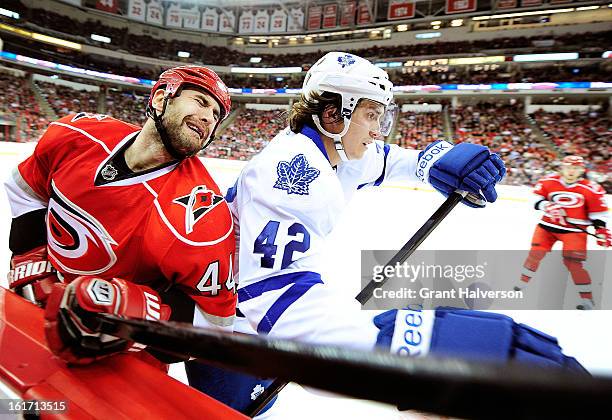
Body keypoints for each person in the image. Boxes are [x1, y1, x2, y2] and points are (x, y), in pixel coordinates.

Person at [186, 52, 586, 415]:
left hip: (243, 316)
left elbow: (386, 159)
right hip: (230, 326)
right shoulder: (290, 173)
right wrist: (399, 347)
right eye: (373, 115)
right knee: (222, 414)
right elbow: (282, 306)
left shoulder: (332, 149)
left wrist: (434, 160)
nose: (379, 130)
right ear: (333, 114)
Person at [4, 65, 237, 365]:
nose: (209, 118)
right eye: (201, 101)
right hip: (34, 310)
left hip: (117, 360)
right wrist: (32, 259)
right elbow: (24, 187)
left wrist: (138, 316)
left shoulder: (201, 217)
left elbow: (217, 326)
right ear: (160, 98)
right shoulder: (77, 134)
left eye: (217, 115)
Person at [516, 155, 610, 309]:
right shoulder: (548, 181)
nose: (571, 171)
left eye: (576, 168)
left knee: (574, 264)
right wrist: (546, 206)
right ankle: (522, 284)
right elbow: (535, 198)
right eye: (568, 167)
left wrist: (601, 230)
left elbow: (597, 213)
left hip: (574, 231)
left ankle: (587, 299)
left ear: (582, 170)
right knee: (535, 254)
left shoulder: (591, 188)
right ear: (561, 168)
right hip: (547, 227)